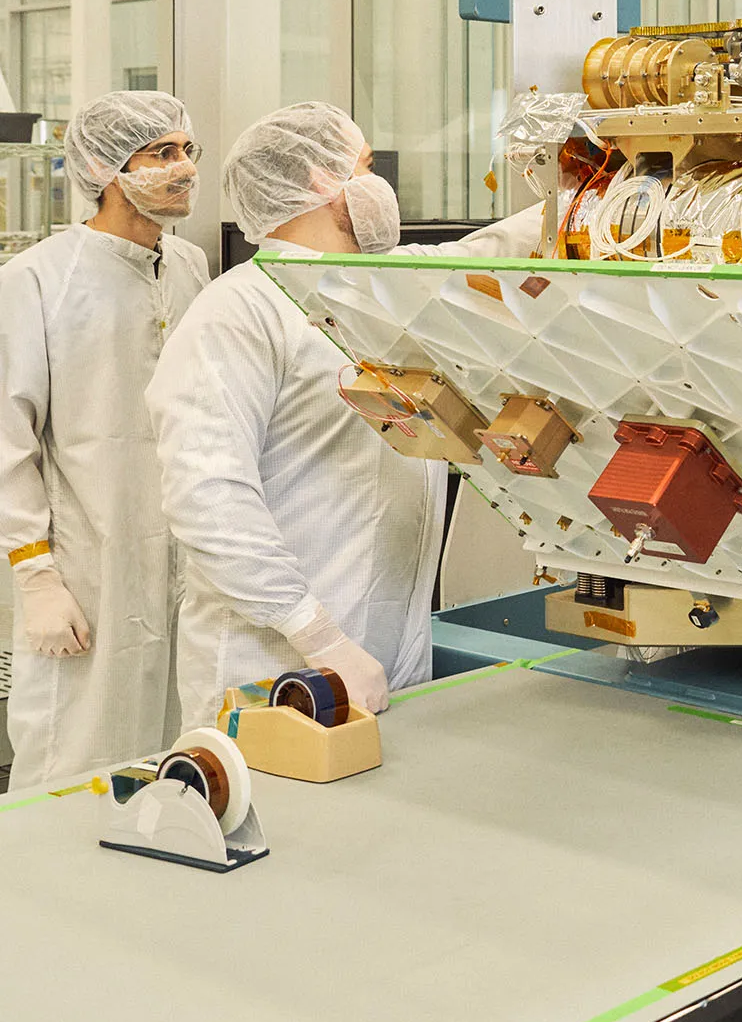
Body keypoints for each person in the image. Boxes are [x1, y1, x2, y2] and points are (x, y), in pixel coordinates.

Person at [146, 102, 546, 729]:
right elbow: (209, 498)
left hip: (386, 655)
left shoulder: (377, 288)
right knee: (280, 822)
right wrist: (319, 637)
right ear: (315, 181)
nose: (377, 182)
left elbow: (487, 253)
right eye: (363, 166)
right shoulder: (239, 311)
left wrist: (603, 192)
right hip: (278, 665)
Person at [0, 93, 208, 791]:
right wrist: (36, 577)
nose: (183, 169)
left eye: (187, 151)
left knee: (172, 758)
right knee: (73, 756)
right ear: (106, 167)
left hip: (180, 559)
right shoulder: (38, 281)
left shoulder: (189, 267)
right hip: (85, 568)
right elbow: (7, 441)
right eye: (162, 154)